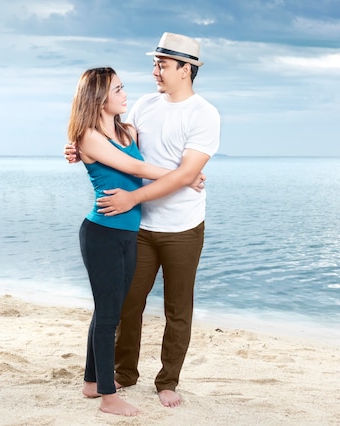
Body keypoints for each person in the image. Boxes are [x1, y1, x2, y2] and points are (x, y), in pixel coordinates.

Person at [65, 32, 220, 408]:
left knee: (177, 309)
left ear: (186, 69)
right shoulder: (145, 106)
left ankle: (167, 382)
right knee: (126, 305)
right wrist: (76, 147)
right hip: (139, 227)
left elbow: (175, 172)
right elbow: (117, 144)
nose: (155, 71)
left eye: (162, 65)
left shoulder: (205, 114)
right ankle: (121, 374)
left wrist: (175, 179)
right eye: (155, 63)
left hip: (182, 227)